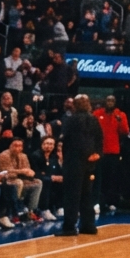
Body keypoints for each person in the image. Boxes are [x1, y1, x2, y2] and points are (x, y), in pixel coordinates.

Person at [56, 94, 102, 236]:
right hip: (89, 162)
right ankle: (88, 225)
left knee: (72, 195)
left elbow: (64, 139)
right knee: (86, 194)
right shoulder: (94, 119)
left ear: (74, 105)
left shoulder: (71, 120)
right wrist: (97, 153)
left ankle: (69, 227)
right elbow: (100, 139)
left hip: (74, 161)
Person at [92, 94, 130, 210]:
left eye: (112, 101)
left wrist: (120, 121)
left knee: (112, 179)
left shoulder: (120, 115)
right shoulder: (97, 113)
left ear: (115, 102)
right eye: (108, 100)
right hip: (100, 151)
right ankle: (97, 202)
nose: (109, 103)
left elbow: (125, 131)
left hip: (113, 152)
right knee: (99, 178)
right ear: (105, 101)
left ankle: (111, 203)